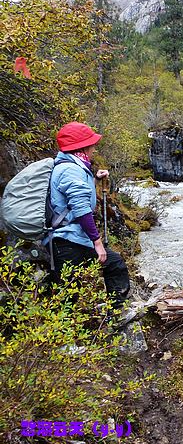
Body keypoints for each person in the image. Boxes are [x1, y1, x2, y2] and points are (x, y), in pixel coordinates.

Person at [48, 122, 130, 307]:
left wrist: (95, 179)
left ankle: (113, 316)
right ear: (82, 146)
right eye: (92, 143)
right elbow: (80, 208)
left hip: (71, 240)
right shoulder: (70, 169)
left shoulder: (71, 166)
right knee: (68, 297)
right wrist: (97, 242)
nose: (94, 147)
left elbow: (73, 196)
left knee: (113, 265)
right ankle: (115, 316)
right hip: (68, 242)